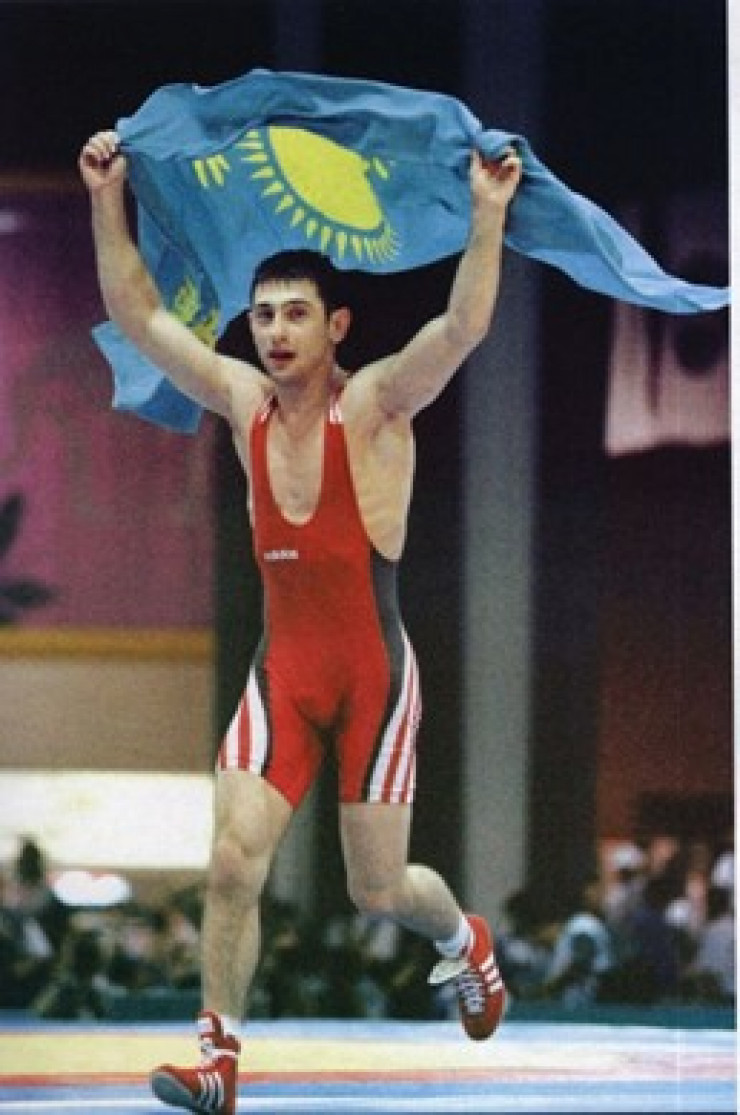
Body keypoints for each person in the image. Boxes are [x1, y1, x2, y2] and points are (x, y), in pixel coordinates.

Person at [79, 127, 522, 1115]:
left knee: (378, 890)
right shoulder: (242, 401)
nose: (274, 332)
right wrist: (106, 197)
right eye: (263, 314)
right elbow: (142, 315)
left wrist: (487, 214)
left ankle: (466, 940)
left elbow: (459, 327)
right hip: (282, 671)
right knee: (232, 858)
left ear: (337, 327)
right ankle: (218, 1062)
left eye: (295, 315)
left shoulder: (375, 406)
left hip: (373, 680)